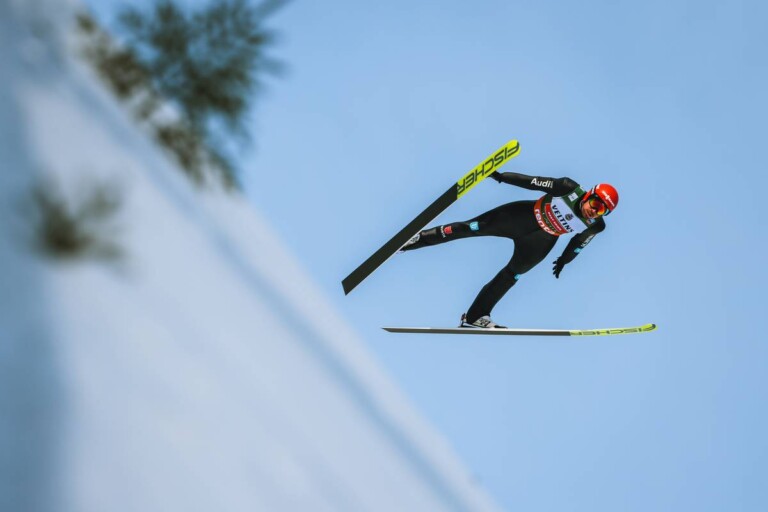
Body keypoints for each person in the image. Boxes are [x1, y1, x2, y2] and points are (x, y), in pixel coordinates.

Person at [399, 171, 619, 328]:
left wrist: (564, 260)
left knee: (512, 274)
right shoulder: (568, 188)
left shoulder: (595, 225)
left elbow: (578, 244)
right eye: (596, 204)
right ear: (590, 194)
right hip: (520, 217)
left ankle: (475, 317)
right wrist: (503, 178)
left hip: (541, 241)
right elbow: (534, 182)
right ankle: (417, 239)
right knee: (470, 228)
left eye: (602, 211)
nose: (595, 212)